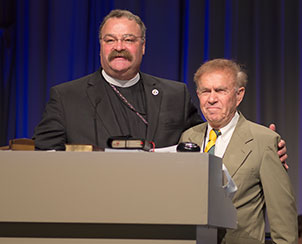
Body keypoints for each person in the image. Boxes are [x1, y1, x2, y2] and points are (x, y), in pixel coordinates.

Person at [33, 9, 287, 159]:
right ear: (100, 46)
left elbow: (207, 142)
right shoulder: (66, 97)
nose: (119, 47)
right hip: (92, 210)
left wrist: (257, 146)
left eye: (128, 39)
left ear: (143, 46)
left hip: (164, 213)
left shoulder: (174, 95)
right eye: (110, 40)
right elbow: (44, 157)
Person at [179, 59, 298, 243]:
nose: (211, 99)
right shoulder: (188, 138)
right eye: (205, 91)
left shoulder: (263, 140)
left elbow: (283, 218)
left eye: (220, 90)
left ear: (239, 95)